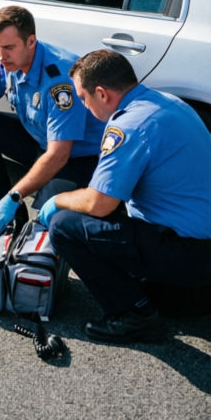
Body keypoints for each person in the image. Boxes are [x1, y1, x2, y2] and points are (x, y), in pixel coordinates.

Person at [38, 50, 211, 343]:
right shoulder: (166, 102)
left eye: (83, 98)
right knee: (145, 282)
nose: (83, 106)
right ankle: (182, 294)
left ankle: (135, 316)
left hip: (190, 252)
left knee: (65, 225)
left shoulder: (128, 126)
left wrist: (57, 201)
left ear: (102, 94)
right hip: (200, 245)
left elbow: (99, 204)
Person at [0, 5, 104, 239]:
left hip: (78, 157)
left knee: (43, 228)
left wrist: (15, 195)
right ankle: (4, 209)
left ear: (31, 41)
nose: (2, 56)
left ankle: (14, 207)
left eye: (8, 48)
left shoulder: (60, 80)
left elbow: (59, 155)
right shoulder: (11, 61)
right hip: (41, 140)